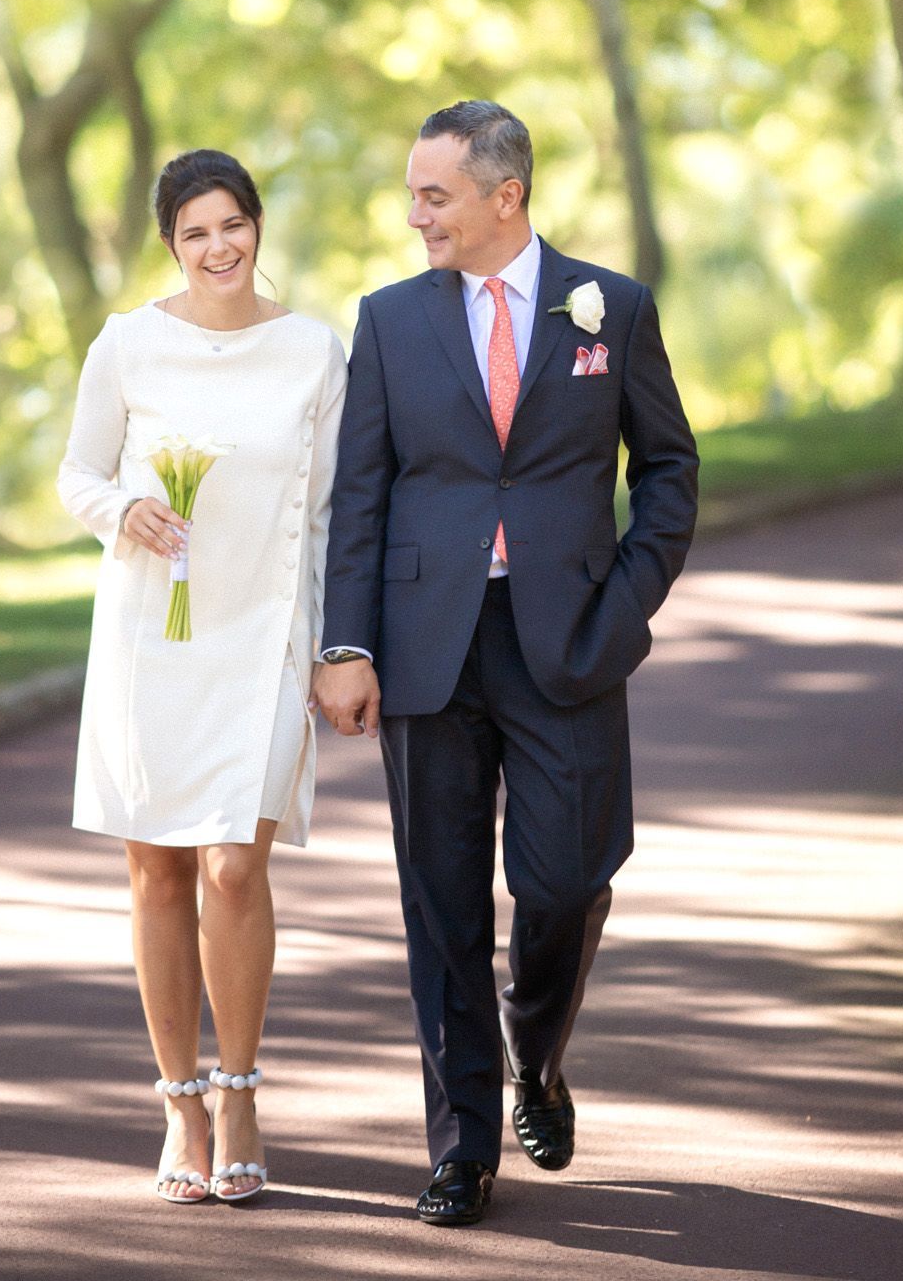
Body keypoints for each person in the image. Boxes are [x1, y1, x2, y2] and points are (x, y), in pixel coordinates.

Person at [313, 100, 697, 1228]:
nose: (415, 213)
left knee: (568, 881)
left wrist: (623, 606)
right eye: (412, 193)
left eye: (434, 194)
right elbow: (360, 498)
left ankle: (537, 1054)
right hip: (427, 647)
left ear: (504, 195)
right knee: (438, 904)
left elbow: (668, 469)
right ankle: (461, 1146)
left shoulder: (608, 307)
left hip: (568, 641)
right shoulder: (387, 320)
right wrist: (346, 643)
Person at [57, 148, 346, 1207]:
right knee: (158, 872)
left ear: (257, 225)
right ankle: (179, 1098)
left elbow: (328, 515)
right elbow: (77, 471)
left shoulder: (315, 351)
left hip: (262, 635)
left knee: (233, 864)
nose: (218, 247)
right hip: (150, 633)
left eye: (233, 224)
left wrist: (332, 647)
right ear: (169, 244)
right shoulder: (128, 342)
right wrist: (119, 509)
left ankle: (240, 1089)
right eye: (195, 233)